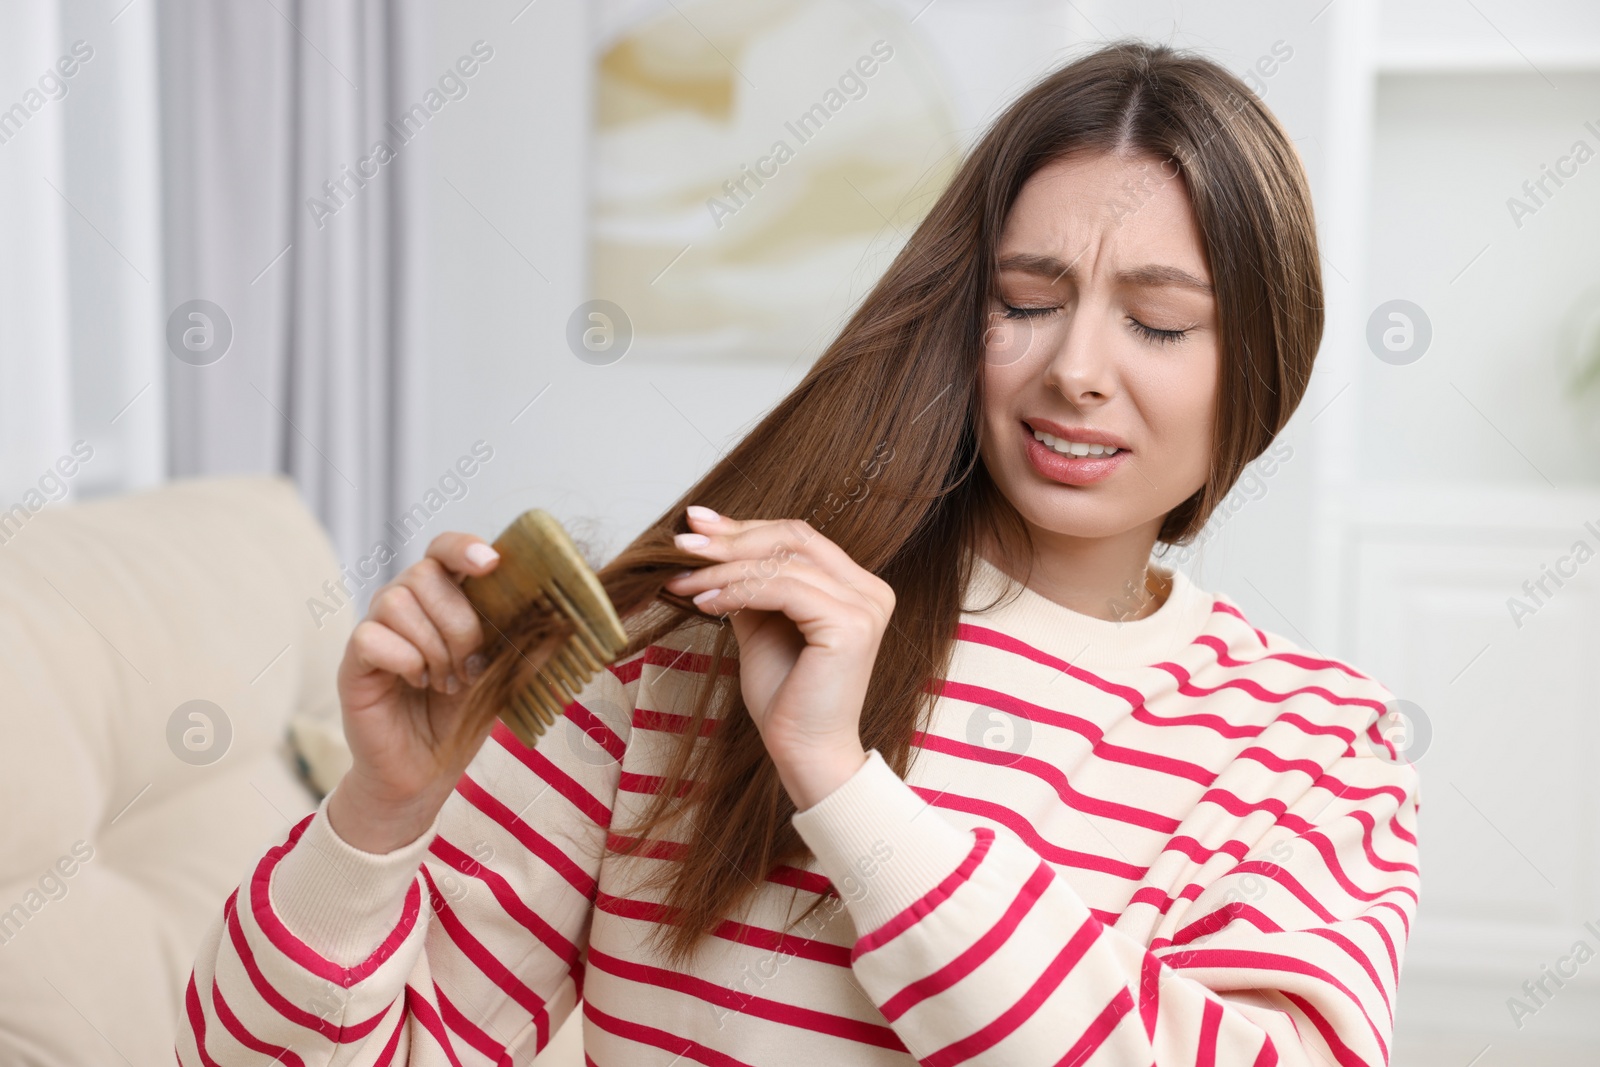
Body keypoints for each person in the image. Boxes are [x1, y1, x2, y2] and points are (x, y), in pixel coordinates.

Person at [177, 38, 1420, 1067]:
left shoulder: (1314, 743)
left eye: (1157, 322)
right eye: (1025, 302)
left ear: (1261, 359)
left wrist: (844, 783)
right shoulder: (696, 637)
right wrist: (379, 812)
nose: (1075, 370)